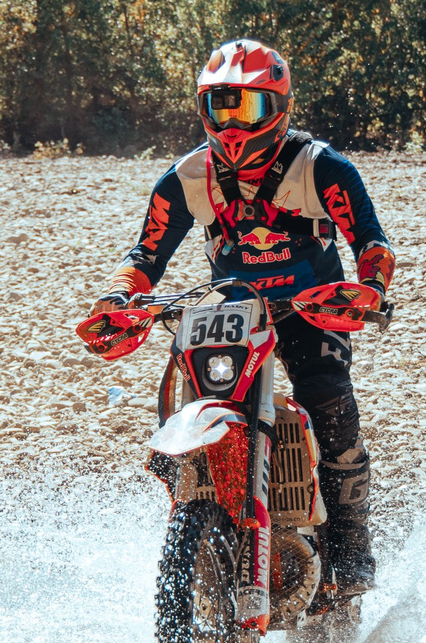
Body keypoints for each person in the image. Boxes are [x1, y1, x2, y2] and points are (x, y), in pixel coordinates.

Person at [98, 39, 397, 599]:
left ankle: (351, 548)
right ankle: (195, 501)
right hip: (230, 309)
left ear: (279, 106)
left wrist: (370, 289)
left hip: (313, 307)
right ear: (202, 111)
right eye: (220, 107)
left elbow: (372, 244)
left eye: (249, 108)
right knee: (178, 395)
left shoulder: (321, 166)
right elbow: (144, 257)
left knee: (328, 398)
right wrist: (118, 300)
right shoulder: (188, 177)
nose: (233, 125)